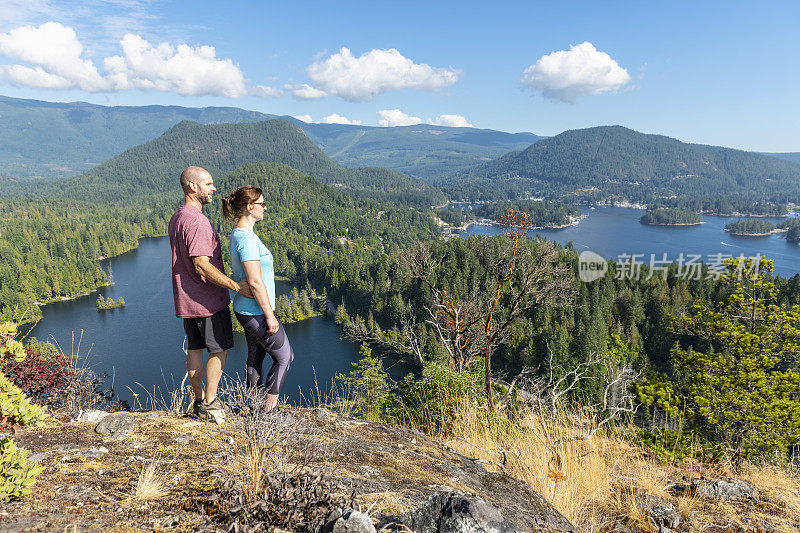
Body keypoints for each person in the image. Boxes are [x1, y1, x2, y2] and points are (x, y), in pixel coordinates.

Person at [169, 166, 252, 423]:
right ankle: (211, 402)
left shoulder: (178, 216)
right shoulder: (197, 221)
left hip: (187, 299)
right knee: (219, 349)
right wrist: (236, 286)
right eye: (208, 184)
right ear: (192, 186)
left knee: (195, 349)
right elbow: (201, 264)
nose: (214, 188)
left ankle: (197, 400)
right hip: (207, 301)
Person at [222, 185, 294, 413]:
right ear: (249, 207)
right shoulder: (247, 239)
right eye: (262, 204)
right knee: (285, 357)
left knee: (256, 354)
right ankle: (267, 410)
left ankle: (252, 406)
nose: (265, 207)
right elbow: (254, 281)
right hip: (256, 312)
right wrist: (270, 316)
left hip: (247, 310)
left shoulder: (240, 234)